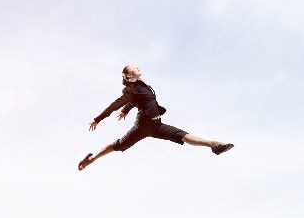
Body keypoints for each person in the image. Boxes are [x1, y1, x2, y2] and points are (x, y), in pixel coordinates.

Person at [78, 65, 233, 170]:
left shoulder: (140, 85)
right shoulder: (130, 89)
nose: (139, 68)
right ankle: (91, 160)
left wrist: (126, 110)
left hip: (156, 125)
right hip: (143, 126)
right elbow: (114, 105)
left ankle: (215, 145)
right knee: (118, 145)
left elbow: (140, 100)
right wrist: (98, 119)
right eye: (135, 68)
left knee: (183, 136)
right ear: (129, 75)